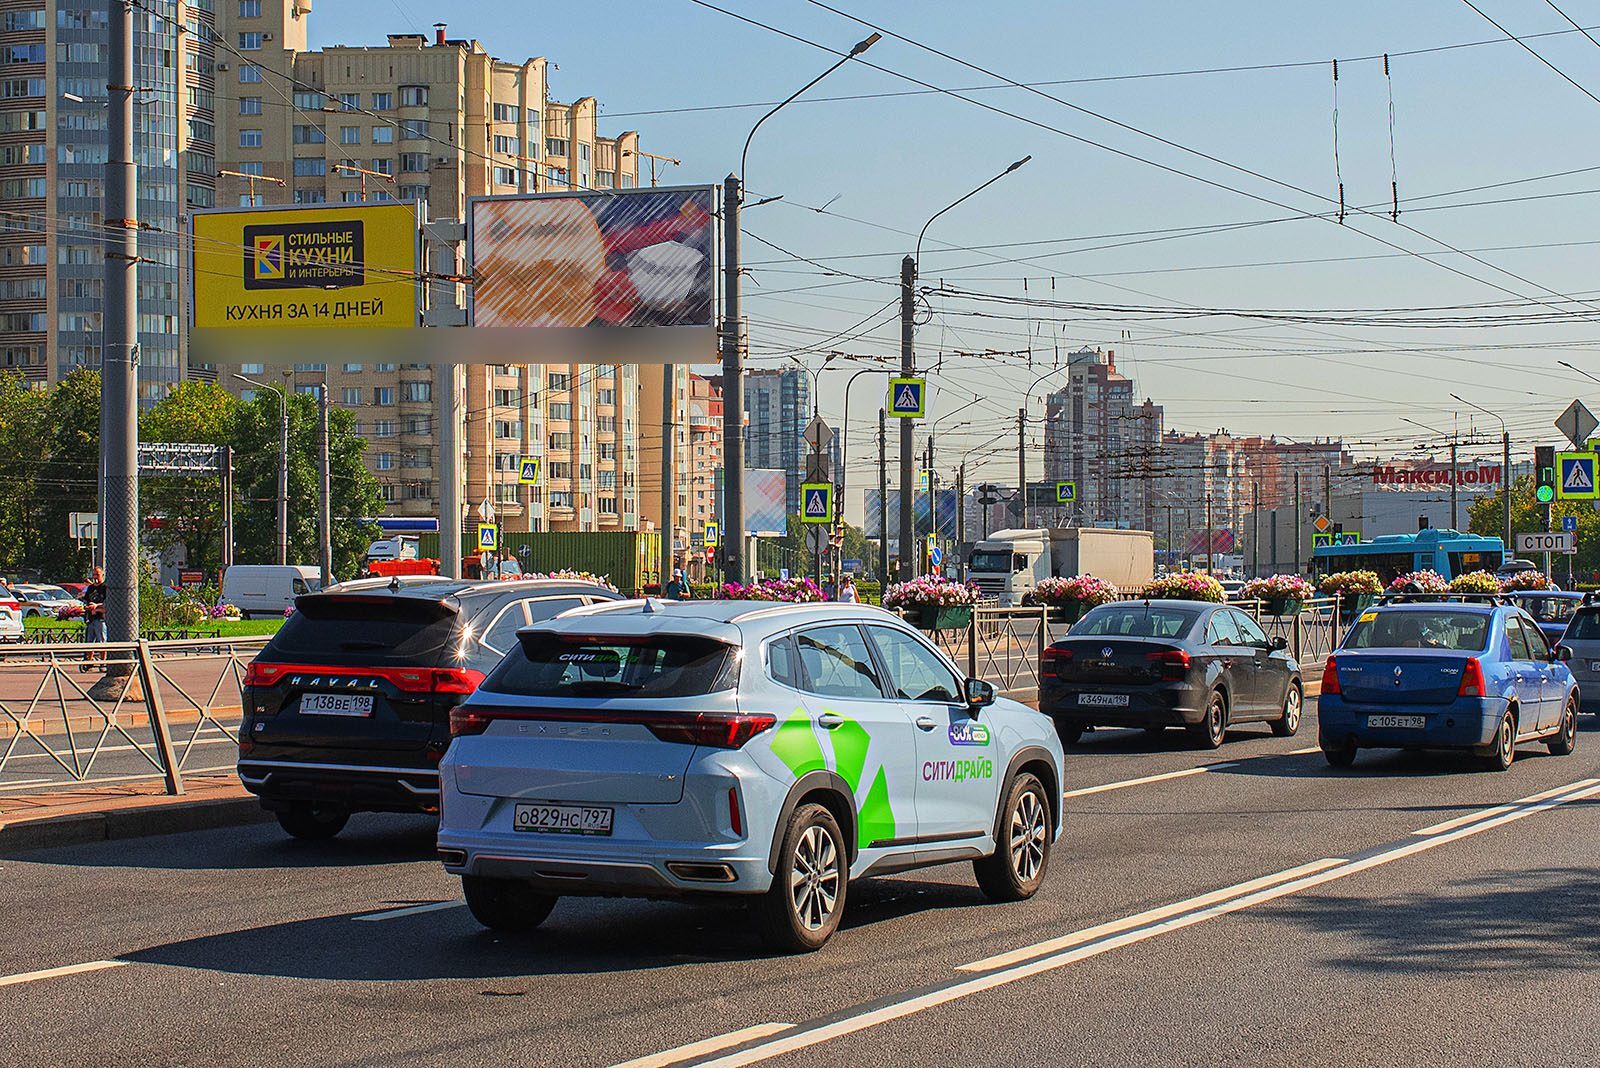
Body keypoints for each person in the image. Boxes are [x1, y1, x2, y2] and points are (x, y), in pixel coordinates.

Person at [83, 565, 107, 657]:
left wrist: (96, 606)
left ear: (102, 575)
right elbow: (86, 600)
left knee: (101, 641)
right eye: (94, 575)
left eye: (97, 574)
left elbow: (107, 603)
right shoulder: (90, 588)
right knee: (89, 642)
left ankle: (103, 661)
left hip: (101, 618)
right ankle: (89, 661)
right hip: (90, 618)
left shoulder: (105, 587)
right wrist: (86, 607)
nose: (95, 577)